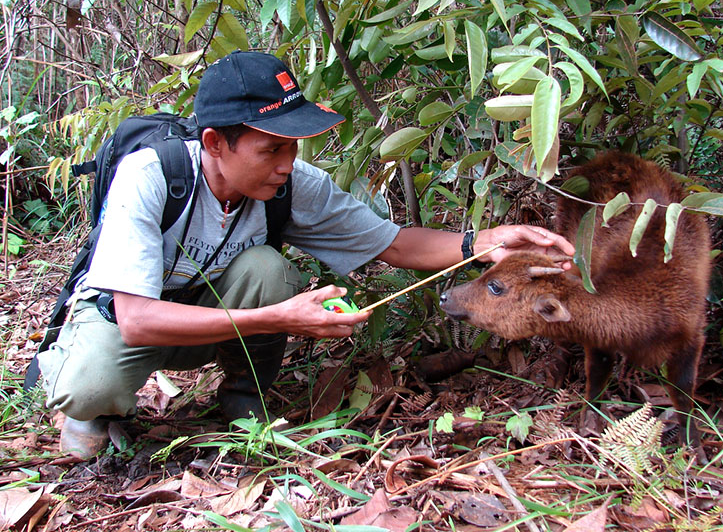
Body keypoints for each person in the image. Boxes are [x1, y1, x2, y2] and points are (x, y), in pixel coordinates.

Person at [37, 51, 575, 459]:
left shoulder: (293, 184)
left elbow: (391, 242)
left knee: (266, 268)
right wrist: (280, 319)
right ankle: (92, 398)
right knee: (90, 389)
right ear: (215, 144)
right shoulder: (152, 176)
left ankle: (244, 402)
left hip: (214, 317)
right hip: (131, 322)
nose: (286, 163)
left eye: (293, 147)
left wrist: (481, 244)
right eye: (272, 148)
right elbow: (135, 318)